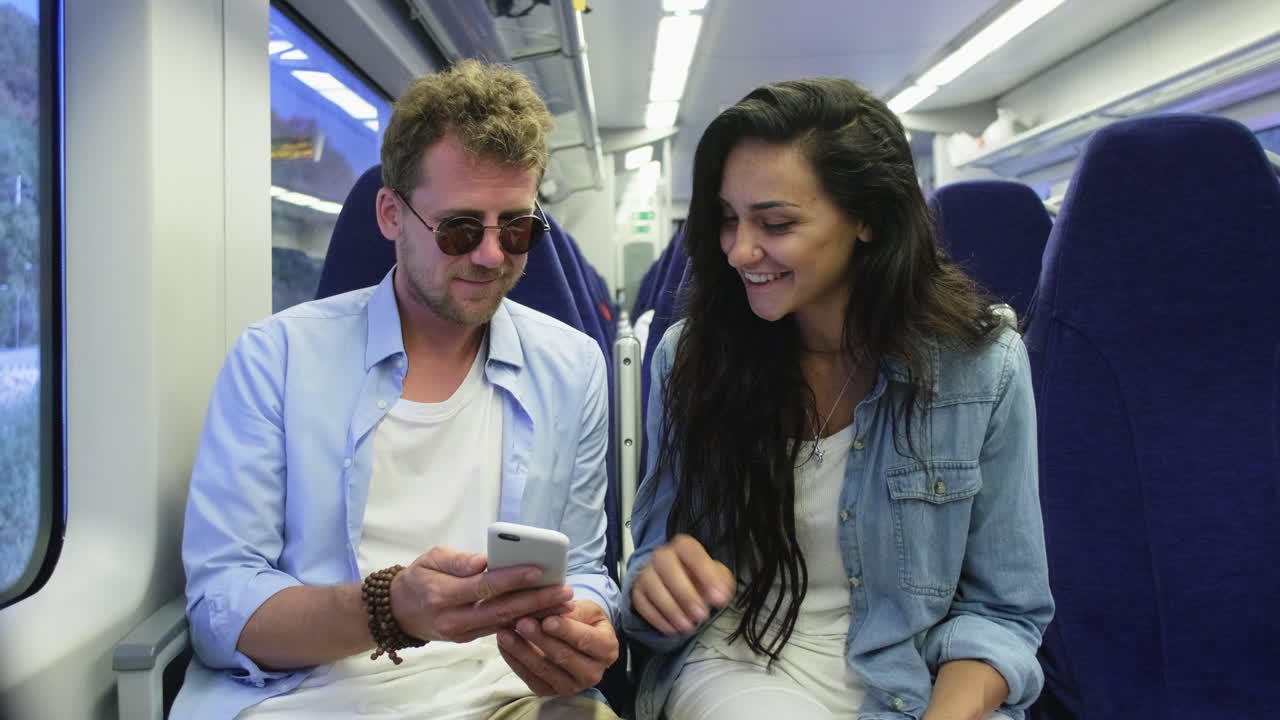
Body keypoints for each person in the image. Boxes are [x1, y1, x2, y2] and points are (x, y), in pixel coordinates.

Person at [173, 60, 621, 720]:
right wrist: (390, 609)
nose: (492, 255)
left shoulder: (573, 366)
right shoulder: (277, 358)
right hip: (312, 702)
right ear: (391, 214)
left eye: (517, 227)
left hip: (508, 696)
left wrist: (585, 625)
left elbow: (583, 567)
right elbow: (221, 610)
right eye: (460, 228)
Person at [621, 77, 1054, 720]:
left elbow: (1003, 611)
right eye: (728, 219)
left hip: (917, 685)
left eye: (775, 223)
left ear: (867, 218)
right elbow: (649, 575)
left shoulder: (982, 366)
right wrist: (657, 583)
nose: (739, 250)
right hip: (740, 666)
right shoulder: (691, 358)